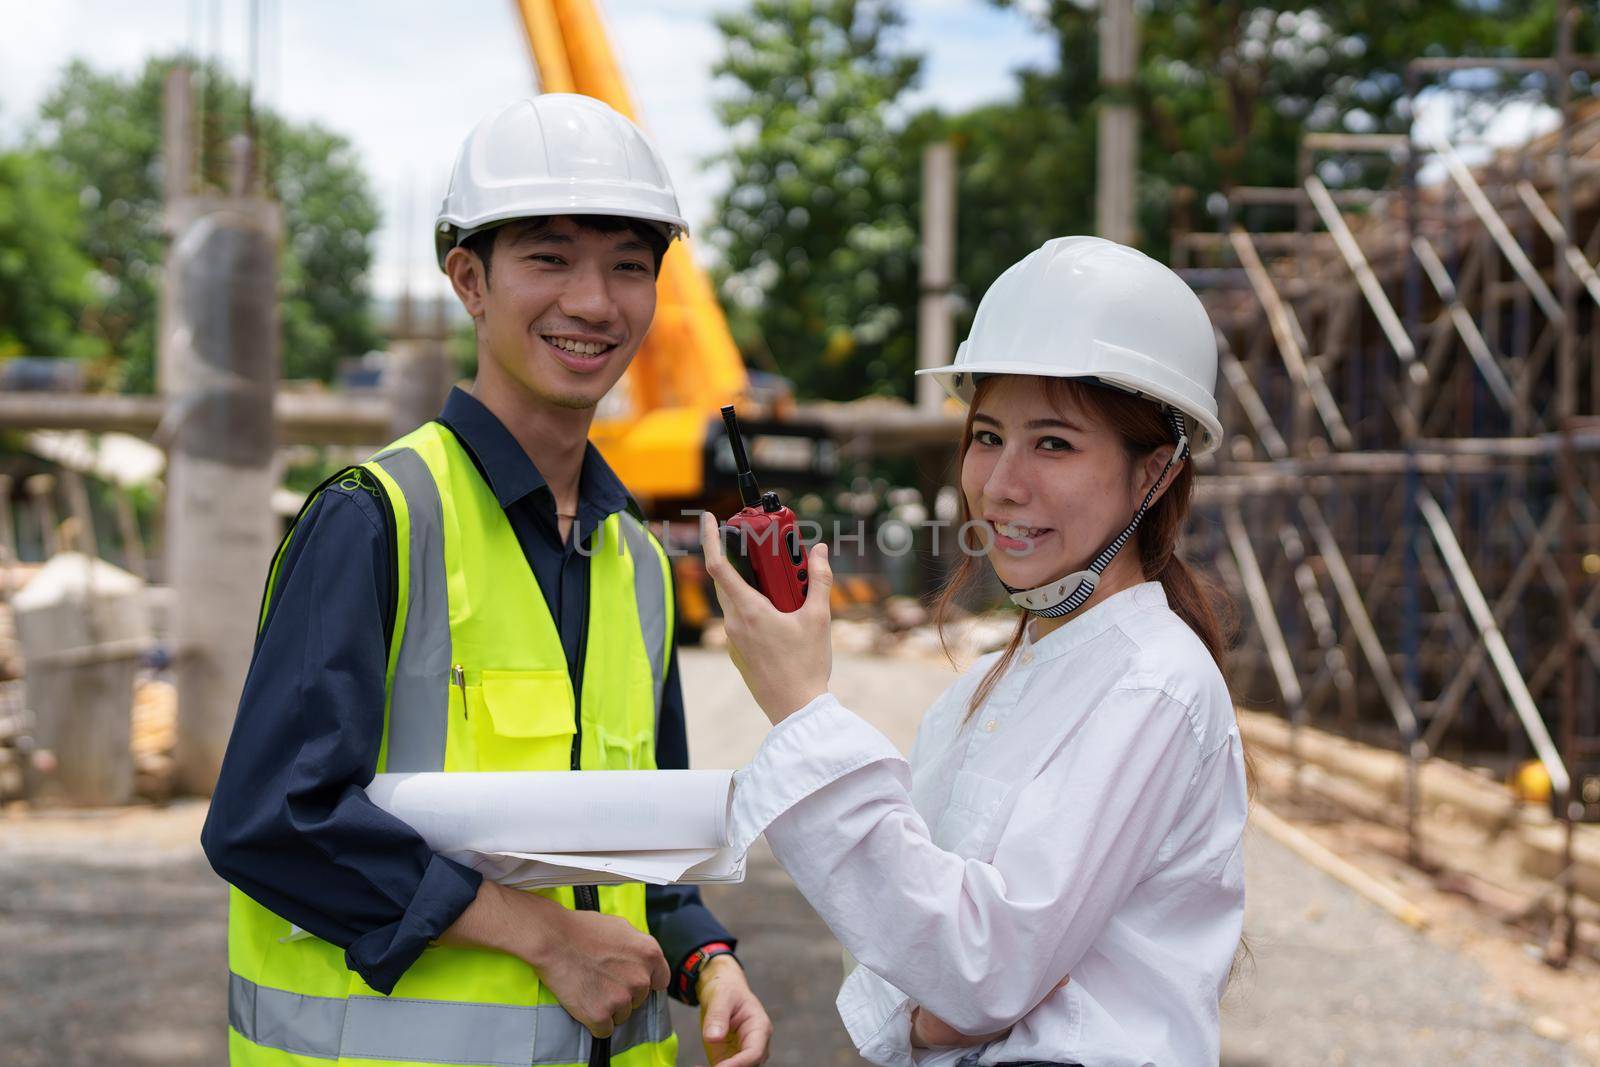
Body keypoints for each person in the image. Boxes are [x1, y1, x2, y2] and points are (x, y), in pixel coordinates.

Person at [203, 95, 771, 1067]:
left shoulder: (633, 557)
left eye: (628, 264)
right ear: (468, 278)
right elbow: (274, 821)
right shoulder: (375, 518)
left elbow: (638, 832)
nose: (594, 300)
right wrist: (545, 935)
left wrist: (705, 956)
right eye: (549, 258)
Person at [698, 237, 1248, 1067]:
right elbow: (903, 941)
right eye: (988, 435)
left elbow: (977, 967)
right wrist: (922, 1019)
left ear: (1156, 471)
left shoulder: (1154, 685)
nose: (1000, 483)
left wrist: (803, 710)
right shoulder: (980, 696)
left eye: (1055, 443)